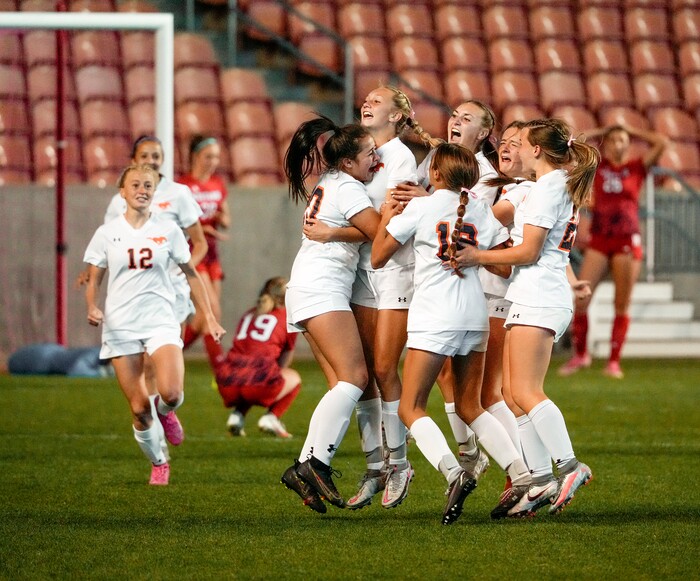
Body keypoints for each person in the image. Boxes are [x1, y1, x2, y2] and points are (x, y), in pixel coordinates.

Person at [372, 142, 532, 525]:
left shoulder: (421, 207)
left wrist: (386, 215)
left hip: (433, 316)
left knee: (411, 407)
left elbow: (379, 257)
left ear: (436, 174)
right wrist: (474, 254)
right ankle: (523, 473)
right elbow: (504, 269)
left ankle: (453, 472)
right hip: (474, 315)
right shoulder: (481, 209)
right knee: (470, 405)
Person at [452, 118, 598, 517]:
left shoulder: (549, 187)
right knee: (515, 397)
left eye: (523, 142)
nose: (515, 147)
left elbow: (530, 252)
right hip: (529, 294)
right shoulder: (550, 185)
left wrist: (476, 256)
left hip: (541, 296)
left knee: (528, 392)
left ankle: (569, 466)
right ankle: (539, 480)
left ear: (536, 150)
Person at [303, 86, 422, 510]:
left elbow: (395, 224)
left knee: (385, 368)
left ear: (398, 115)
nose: (367, 103)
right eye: (365, 99)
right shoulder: (360, 157)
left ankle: (399, 464)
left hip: (392, 273)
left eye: (378, 99)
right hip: (358, 274)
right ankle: (375, 466)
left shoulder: (401, 158)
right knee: (362, 377)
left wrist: (333, 232)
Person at [83, 164, 226, 486]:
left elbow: (191, 274)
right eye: (135, 184)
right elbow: (95, 277)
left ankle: (167, 411)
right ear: (122, 192)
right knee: (137, 408)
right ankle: (159, 462)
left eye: (148, 185)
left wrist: (211, 317)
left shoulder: (169, 231)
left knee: (172, 393)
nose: (142, 189)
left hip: (160, 319)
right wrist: (92, 305)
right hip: (121, 326)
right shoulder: (107, 233)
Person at [390, 100, 501, 484]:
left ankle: (485, 461)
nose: (455, 120)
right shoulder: (439, 158)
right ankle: (508, 466)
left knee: (493, 394)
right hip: (458, 295)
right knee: (455, 386)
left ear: (484, 133)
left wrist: (416, 206)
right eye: (454, 114)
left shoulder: (483, 174)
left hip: (461, 286)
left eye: (466, 118)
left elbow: (453, 212)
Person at [279, 115, 381, 514]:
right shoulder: (348, 186)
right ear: (348, 163)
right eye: (369, 154)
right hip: (322, 288)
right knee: (356, 377)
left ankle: (303, 466)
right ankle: (317, 463)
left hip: (308, 286)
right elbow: (377, 231)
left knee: (342, 381)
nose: (375, 160)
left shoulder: (329, 183)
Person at [559, 124, 668, 379]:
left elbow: (662, 142)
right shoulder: (599, 167)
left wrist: (632, 129)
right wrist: (601, 131)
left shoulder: (636, 167)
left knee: (622, 303)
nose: (618, 144)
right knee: (582, 297)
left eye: (622, 140)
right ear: (606, 144)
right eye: (613, 140)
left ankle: (614, 361)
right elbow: (571, 145)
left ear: (628, 144)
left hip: (627, 240)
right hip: (600, 238)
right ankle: (581, 354)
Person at [206, 276, 301, 439]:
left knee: (248, 373)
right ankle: (271, 417)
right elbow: (283, 363)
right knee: (293, 378)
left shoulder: (249, 314)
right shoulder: (286, 317)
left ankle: (237, 416)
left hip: (227, 382)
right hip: (257, 385)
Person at [178, 135, 231, 365]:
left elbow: (227, 218)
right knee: (213, 311)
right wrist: (202, 229)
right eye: (208, 156)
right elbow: (176, 222)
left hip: (212, 254)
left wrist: (219, 218)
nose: (213, 161)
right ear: (195, 156)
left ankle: (169, 356)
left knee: (201, 319)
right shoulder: (182, 186)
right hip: (193, 252)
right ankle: (222, 371)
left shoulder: (218, 184)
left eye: (216, 157)